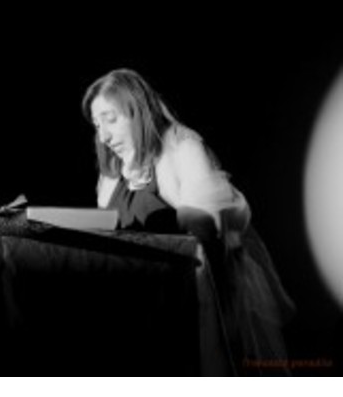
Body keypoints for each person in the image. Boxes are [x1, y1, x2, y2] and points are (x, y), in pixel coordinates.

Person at [82, 68, 296, 376]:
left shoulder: (183, 149)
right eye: (97, 124)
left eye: (110, 119)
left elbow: (215, 234)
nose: (103, 136)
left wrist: (198, 222)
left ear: (137, 111)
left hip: (187, 309)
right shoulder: (112, 172)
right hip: (139, 306)